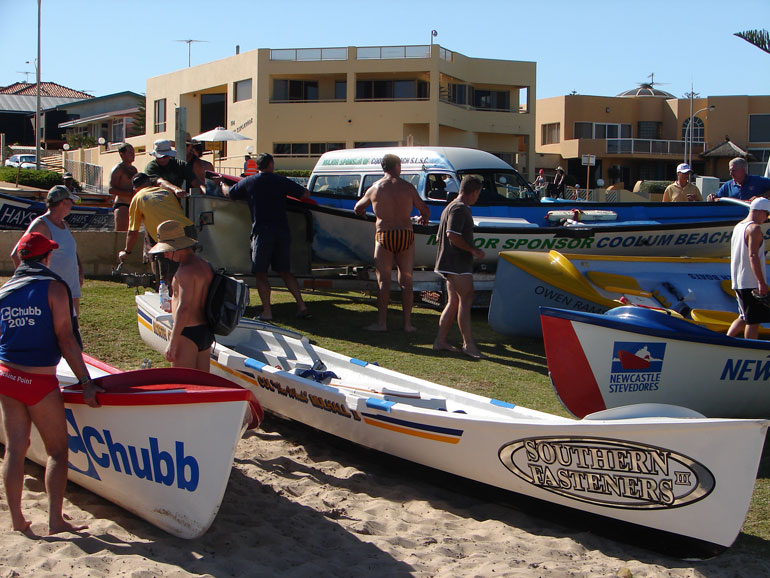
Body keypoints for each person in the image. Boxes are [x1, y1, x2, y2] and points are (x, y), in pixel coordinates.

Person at [0, 232, 102, 535]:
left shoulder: (4, 291)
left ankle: (18, 519)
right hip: (38, 381)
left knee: (16, 449)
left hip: (7, 377)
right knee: (57, 451)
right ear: (46, 258)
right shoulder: (55, 288)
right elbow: (67, 341)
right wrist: (86, 382)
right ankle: (55, 520)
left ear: (21, 258)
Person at [222, 153, 310, 320]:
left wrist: (222, 185)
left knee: (261, 273)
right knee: (285, 271)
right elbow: (305, 194)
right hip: (282, 232)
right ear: (271, 164)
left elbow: (230, 194)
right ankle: (302, 305)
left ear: (257, 166)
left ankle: (267, 312)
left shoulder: (249, 182)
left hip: (262, 233)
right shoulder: (280, 181)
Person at [353, 153, 430, 332]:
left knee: (384, 282)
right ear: (397, 167)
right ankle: (408, 325)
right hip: (405, 235)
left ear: (384, 168)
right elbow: (424, 209)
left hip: (384, 234)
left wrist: (363, 214)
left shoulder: (375, 188)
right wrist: (423, 219)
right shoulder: (408, 188)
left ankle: (382, 323)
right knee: (407, 281)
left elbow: (357, 208)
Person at [433, 176, 487, 359]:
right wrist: (472, 250)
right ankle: (468, 345)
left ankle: (440, 341)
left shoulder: (449, 206)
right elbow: (451, 235)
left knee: (454, 302)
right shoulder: (460, 208)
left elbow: (440, 237)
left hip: (449, 262)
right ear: (474, 192)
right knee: (466, 298)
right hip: (457, 264)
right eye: (478, 194)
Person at [148, 220, 214, 371]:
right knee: (203, 387)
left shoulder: (185, 271)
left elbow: (184, 307)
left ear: (176, 248)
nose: (165, 254)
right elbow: (197, 299)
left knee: (184, 384)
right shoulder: (204, 265)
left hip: (187, 332)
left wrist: (173, 341)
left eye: (166, 249)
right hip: (205, 330)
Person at [11, 185, 84, 316]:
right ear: (63, 202)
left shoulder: (64, 224)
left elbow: (72, 250)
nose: (72, 205)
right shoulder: (41, 224)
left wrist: (80, 271)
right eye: (70, 202)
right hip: (52, 290)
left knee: (73, 327)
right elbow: (17, 253)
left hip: (71, 287)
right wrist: (29, 283)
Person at [117, 173, 195, 288]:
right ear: (149, 182)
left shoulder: (138, 198)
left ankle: (168, 300)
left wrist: (127, 252)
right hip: (188, 230)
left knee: (167, 279)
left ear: (135, 188)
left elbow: (133, 232)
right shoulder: (165, 192)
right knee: (190, 270)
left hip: (169, 237)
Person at [727, 197, 770, 339]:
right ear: (760, 212)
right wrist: (761, 282)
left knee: (744, 316)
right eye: (767, 215)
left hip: (738, 279)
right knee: (753, 321)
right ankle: (750, 349)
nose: (766, 219)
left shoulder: (738, 226)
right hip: (750, 281)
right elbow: (753, 255)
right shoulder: (754, 228)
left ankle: (727, 341)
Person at [108, 143, 138, 231]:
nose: (133, 155)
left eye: (133, 152)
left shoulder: (134, 169)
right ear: (122, 154)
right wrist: (129, 193)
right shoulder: (118, 169)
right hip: (122, 205)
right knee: (122, 235)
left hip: (133, 205)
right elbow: (111, 190)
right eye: (130, 152)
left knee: (133, 234)